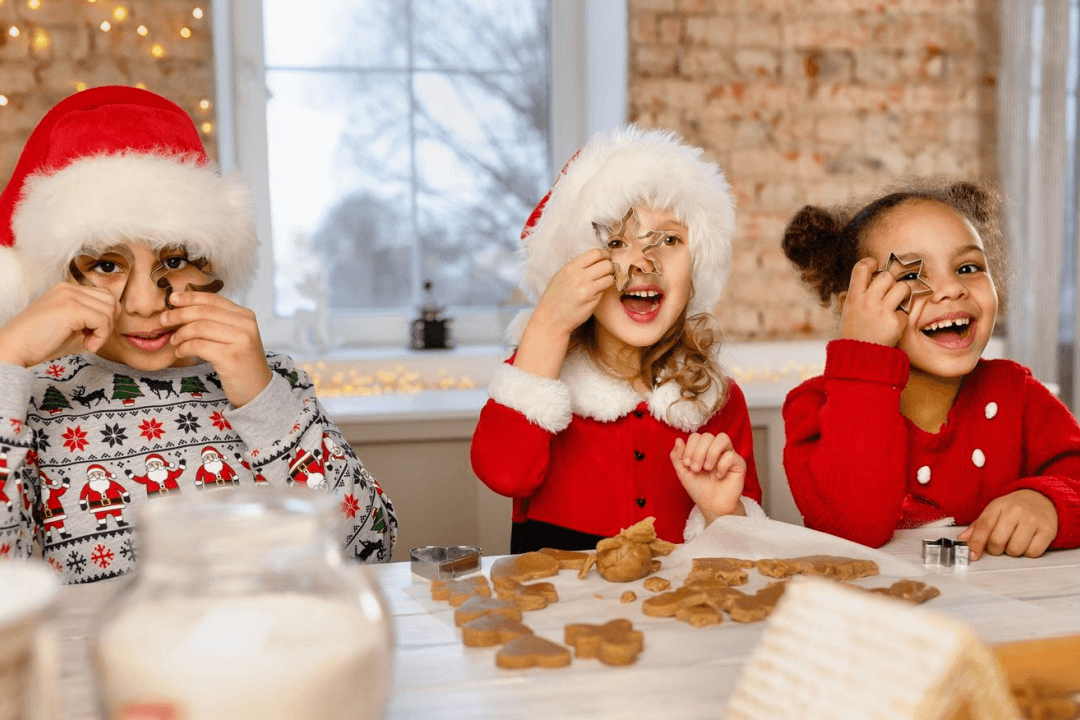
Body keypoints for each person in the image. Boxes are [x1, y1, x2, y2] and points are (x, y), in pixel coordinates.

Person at [0, 86, 397, 583]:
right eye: (105, 263)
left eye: (174, 260)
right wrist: (5, 363)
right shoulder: (31, 397)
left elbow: (370, 550)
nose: (145, 303)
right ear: (55, 274)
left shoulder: (270, 380)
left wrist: (264, 399)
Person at [471, 126, 763, 553]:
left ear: (698, 265)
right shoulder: (541, 374)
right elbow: (503, 474)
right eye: (615, 241)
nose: (643, 262)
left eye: (670, 239)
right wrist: (549, 323)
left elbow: (741, 557)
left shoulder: (716, 398)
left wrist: (722, 512)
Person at [781, 180, 1080, 559]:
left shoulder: (1017, 394)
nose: (951, 288)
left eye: (968, 267)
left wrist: (1047, 501)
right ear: (853, 307)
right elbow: (855, 528)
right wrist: (862, 353)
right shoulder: (815, 406)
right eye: (910, 275)